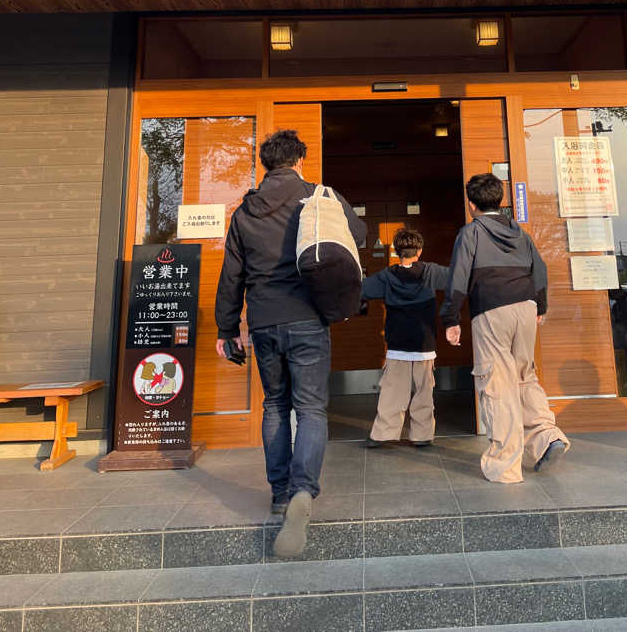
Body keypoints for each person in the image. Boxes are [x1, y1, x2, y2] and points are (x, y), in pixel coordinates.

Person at [214, 129, 366, 558]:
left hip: (263, 321)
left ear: (266, 164)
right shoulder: (319, 196)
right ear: (299, 160)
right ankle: (303, 490)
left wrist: (227, 330)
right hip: (307, 318)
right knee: (312, 408)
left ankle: (280, 493)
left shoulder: (245, 212)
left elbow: (232, 276)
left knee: (275, 405)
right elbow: (359, 234)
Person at [440, 172, 569, 483]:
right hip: (525, 306)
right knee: (525, 376)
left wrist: (450, 318)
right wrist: (540, 306)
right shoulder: (521, 234)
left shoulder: (471, 233)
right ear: (500, 201)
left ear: (471, 204)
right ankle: (546, 437)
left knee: (497, 382)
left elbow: (458, 277)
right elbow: (540, 269)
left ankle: (504, 465)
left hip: (491, 308)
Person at [360, 228, 449, 449]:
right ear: (419, 250)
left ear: (397, 251)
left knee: (392, 391)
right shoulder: (431, 272)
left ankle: (383, 435)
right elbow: (458, 278)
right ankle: (422, 436)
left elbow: (361, 289)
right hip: (424, 344)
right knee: (423, 392)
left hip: (398, 344)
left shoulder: (386, 276)